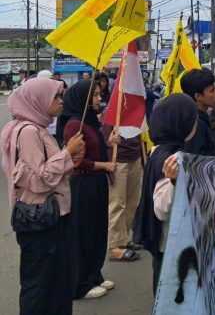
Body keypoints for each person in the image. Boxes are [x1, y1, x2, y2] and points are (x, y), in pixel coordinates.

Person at [0, 78, 85, 315]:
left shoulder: (37, 128)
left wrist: (70, 158)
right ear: (37, 100)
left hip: (49, 217)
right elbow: (40, 179)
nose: (61, 102)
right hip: (40, 220)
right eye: (56, 97)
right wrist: (67, 152)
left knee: (55, 281)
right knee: (40, 283)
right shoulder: (28, 132)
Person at [59, 79, 121, 300]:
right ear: (83, 99)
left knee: (97, 231)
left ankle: (94, 275)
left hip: (97, 182)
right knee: (83, 234)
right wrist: (105, 165)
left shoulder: (90, 123)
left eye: (99, 94)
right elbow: (76, 161)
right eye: (94, 95)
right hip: (83, 184)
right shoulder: (74, 125)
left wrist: (108, 143)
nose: (99, 98)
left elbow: (93, 149)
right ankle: (81, 283)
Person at [132, 94, 199, 295]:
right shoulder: (172, 158)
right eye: (192, 118)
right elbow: (161, 209)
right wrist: (173, 182)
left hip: (166, 243)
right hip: (172, 243)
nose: (195, 123)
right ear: (181, 123)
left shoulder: (159, 148)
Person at [103, 124, 143, 262]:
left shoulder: (137, 111)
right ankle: (114, 246)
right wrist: (109, 141)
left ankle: (123, 239)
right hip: (118, 160)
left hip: (134, 157)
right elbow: (103, 138)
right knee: (117, 202)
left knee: (131, 203)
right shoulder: (113, 110)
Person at [180, 68, 215, 156]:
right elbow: (198, 160)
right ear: (198, 96)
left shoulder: (200, 114)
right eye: (212, 90)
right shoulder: (195, 123)